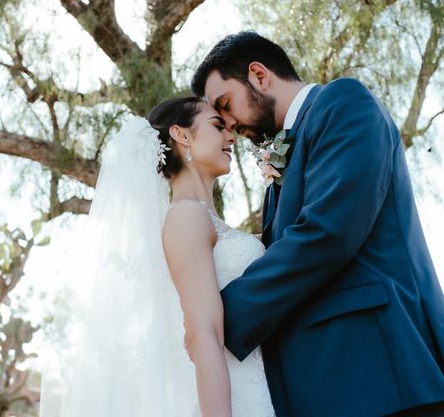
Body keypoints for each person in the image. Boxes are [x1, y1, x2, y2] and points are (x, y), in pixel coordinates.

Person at [189, 30, 444, 416]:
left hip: (378, 376)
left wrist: (220, 316)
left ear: (259, 75)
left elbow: (328, 233)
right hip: (324, 388)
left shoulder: (343, 102)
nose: (228, 126)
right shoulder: (280, 166)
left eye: (225, 105)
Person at [39, 97, 275, 416]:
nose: (230, 136)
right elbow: (206, 336)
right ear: (182, 135)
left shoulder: (208, 222)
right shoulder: (187, 218)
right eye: (218, 126)